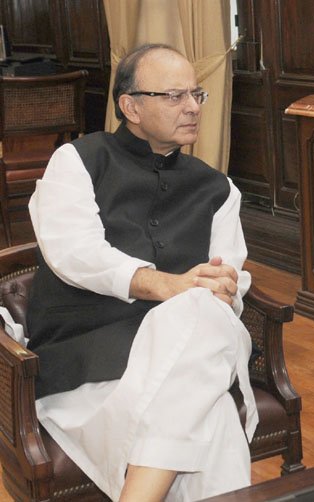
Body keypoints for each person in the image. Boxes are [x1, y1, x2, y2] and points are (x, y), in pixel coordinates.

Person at [26, 43, 257, 501]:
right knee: (213, 417)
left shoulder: (219, 189)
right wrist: (166, 284)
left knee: (206, 307)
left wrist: (218, 288)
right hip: (87, 362)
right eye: (174, 96)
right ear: (131, 106)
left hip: (181, 358)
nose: (193, 107)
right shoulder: (77, 161)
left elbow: (227, 278)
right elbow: (74, 251)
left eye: (196, 94)